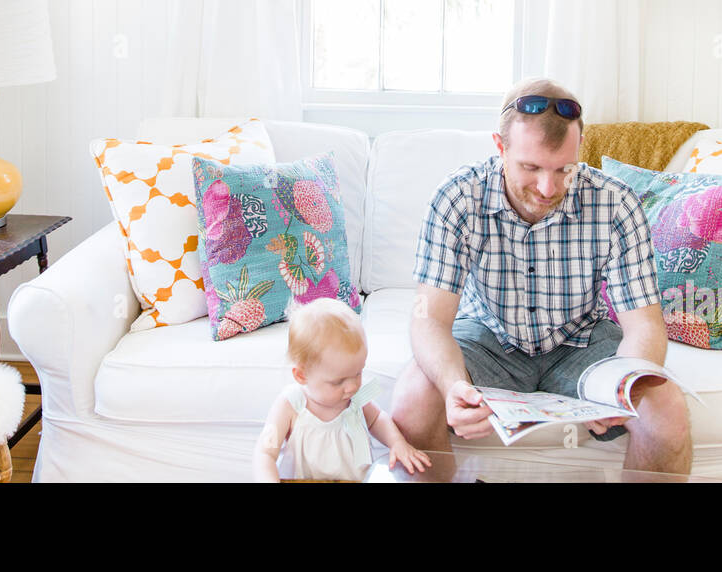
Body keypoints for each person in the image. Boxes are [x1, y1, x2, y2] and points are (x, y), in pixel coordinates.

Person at [390, 77, 693, 475]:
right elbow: (428, 318)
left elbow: (645, 325)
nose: (548, 187)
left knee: (666, 409)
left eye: (564, 169)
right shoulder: (457, 197)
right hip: (487, 336)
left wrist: (617, 390)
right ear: (500, 148)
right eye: (530, 167)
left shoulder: (616, 203)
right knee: (412, 399)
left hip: (580, 339)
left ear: (579, 149)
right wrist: (453, 387)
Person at [253, 297, 431, 482]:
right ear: (302, 375)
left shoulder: (357, 397)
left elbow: (378, 419)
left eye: (358, 373)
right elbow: (265, 452)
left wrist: (397, 443)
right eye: (338, 382)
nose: (353, 386)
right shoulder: (291, 404)